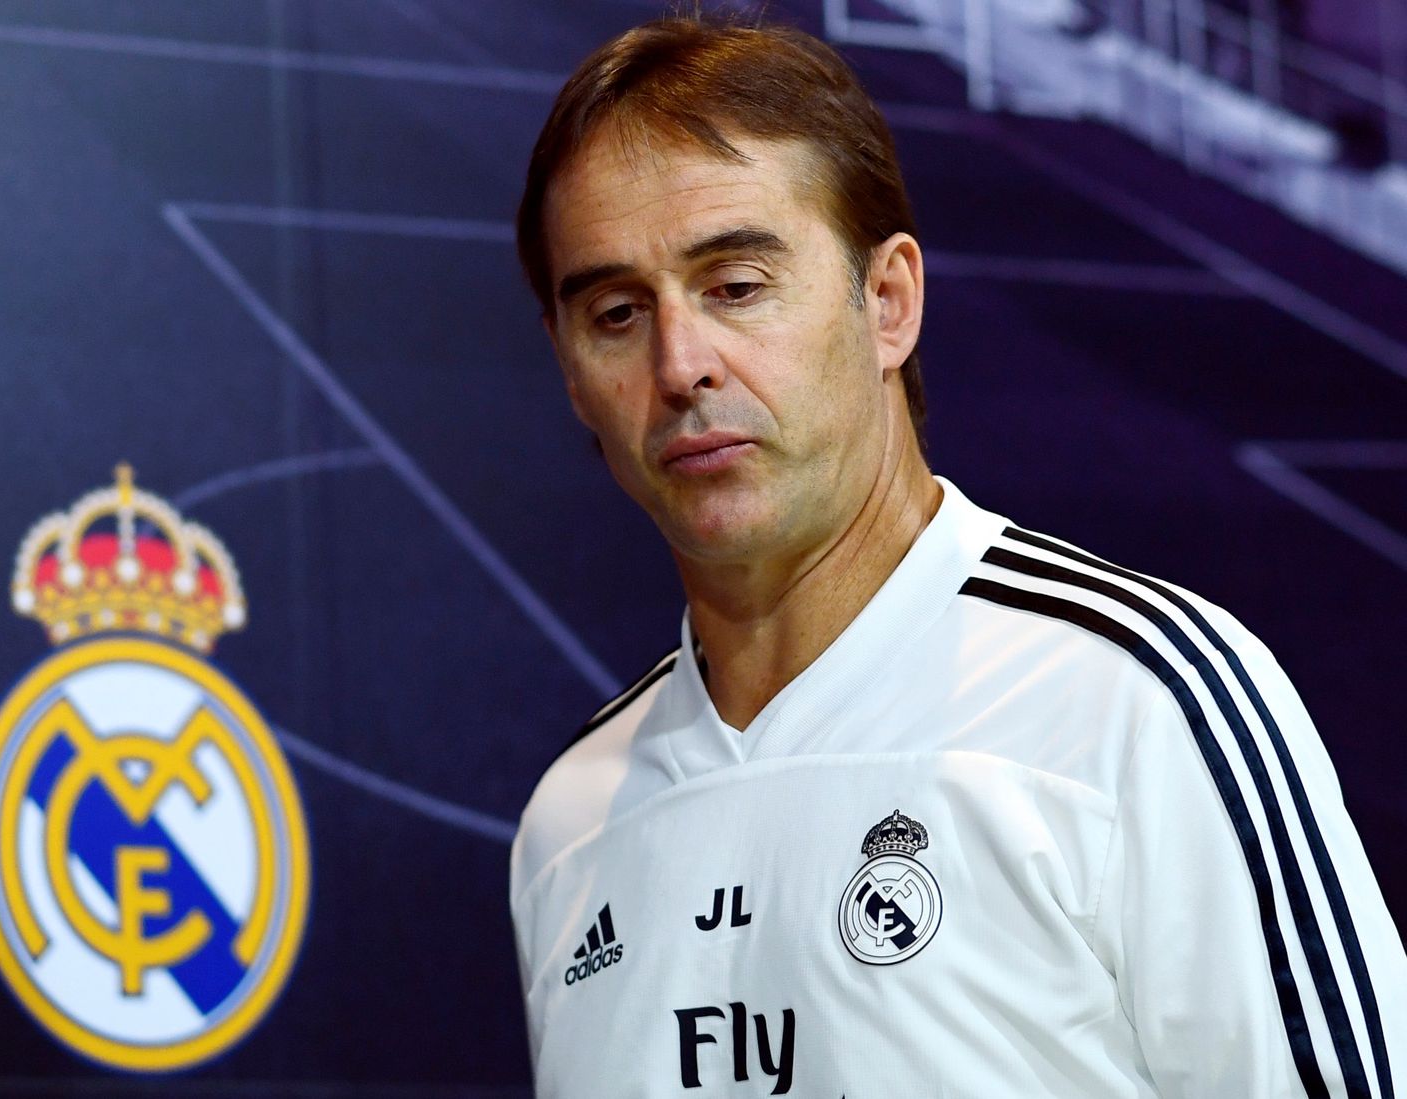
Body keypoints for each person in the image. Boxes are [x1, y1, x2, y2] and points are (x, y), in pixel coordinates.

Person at [508, 13, 1406, 1097]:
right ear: (569, 374)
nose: (680, 363)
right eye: (616, 313)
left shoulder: (1137, 707)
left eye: (737, 286)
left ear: (888, 303)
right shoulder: (568, 824)